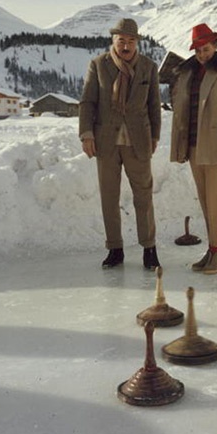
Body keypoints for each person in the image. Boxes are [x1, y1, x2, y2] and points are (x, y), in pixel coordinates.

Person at [79, 18, 162, 270]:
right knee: (109, 196)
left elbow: (154, 105)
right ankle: (115, 248)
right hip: (106, 141)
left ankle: (149, 248)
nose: (126, 46)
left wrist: (155, 136)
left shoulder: (148, 67)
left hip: (138, 140)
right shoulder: (98, 65)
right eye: (121, 40)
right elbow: (88, 102)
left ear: (137, 43)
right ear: (113, 40)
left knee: (143, 196)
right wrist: (86, 134)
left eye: (131, 41)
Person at [170, 23, 217, 274]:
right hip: (194, 146)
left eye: (206, 49)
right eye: (198, 50)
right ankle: (211, 251)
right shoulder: (188, 72)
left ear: (215, 46)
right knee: (205, 202)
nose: (202, 55)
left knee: (216, 203)